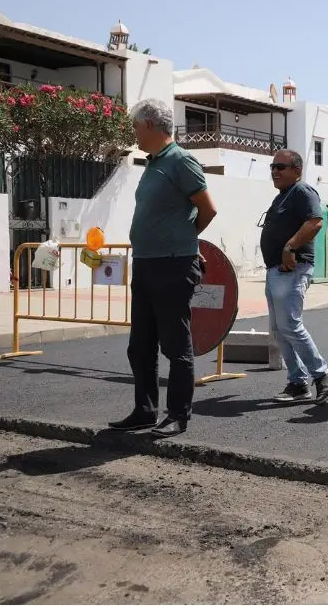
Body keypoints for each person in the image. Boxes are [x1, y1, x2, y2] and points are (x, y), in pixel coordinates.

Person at [108, 98, 217, 438]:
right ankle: (144, 411)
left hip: (172, 265)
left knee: (174, 344)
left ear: (151, 125)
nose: (134, 134)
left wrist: (183, 241)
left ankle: (178, 414)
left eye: (136, 127)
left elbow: (208, 210)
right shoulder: (153, 164)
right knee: (140, 345)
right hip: (146, 264)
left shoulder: (181, 161)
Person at [260, 149, 328, 405]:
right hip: (275, 272)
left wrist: (290, 247)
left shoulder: (302, 192)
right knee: (279, 330)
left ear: (297, 171)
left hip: (293, 269)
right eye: (273, 166)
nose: (275, 171)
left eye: (281, 166)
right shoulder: (282, 196)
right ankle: (297, 382)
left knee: (290, 325)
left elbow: (315, 222)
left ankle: (322, 375)